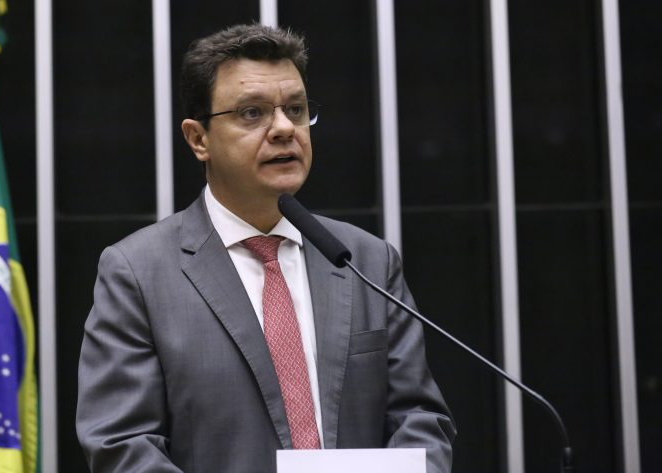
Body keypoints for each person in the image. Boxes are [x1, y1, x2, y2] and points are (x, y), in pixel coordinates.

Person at [76, 23, 456, 473]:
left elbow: (419, 419)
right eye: (252, 113)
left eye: (295, 109)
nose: (283, 129)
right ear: (198, 139)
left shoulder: (366, 260)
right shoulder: (139, 272)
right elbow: (123, 445)